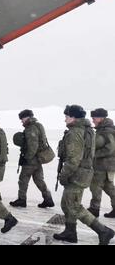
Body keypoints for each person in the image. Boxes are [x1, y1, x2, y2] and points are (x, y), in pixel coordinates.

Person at [54, 105, 114, 245]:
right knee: (66, 204)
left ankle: (103, 231)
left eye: (67, 116)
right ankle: (70, 232)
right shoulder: (87, 130)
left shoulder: (75, 133)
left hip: (77, 174)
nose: (65, 119)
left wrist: (64, 175)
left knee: (74, 206)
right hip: (83, 172)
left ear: (73, 117)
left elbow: (73, 160)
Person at [10, 109, 55, 208]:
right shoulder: (39, 125)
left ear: (27, 117)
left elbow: (33, 146)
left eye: (22, 119)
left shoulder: (31, 128)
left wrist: (27, 158)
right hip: (38, 158)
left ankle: (21, 200)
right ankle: (48, 199)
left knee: (23, 180)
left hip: (32, 160)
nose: (21, 121)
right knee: (39, 180)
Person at [87, 108, 115, 218]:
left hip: (102, 165)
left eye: (94, 118)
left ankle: (94, 208)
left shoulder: (106, 131)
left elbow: (110, 148)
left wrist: (94, 154)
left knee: (95, 185)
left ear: (101, 118)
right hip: (108, 165)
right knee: (108, 187)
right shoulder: (106, 129)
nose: (92, 120)